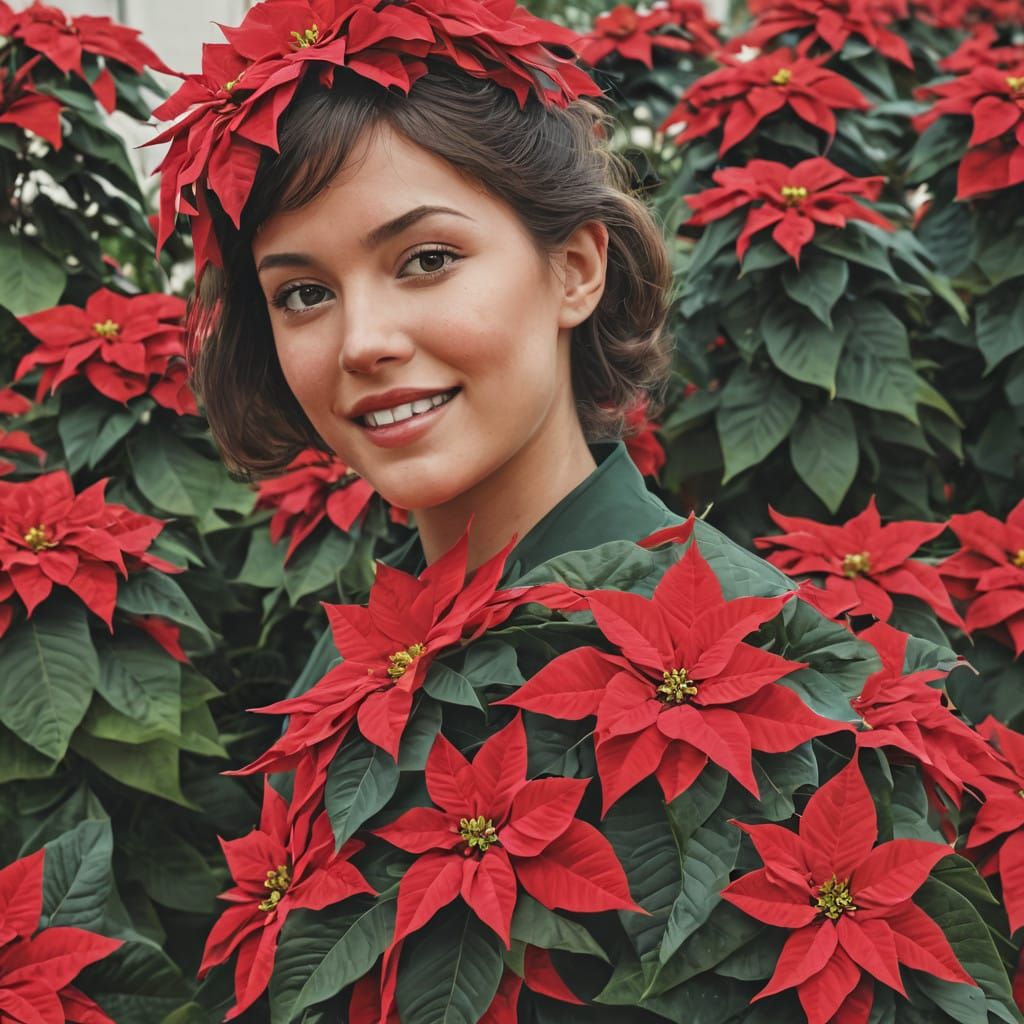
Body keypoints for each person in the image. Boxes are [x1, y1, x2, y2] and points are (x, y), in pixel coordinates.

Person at [151, 2, 997, 1022]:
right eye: (301, 293)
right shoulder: (353, 657)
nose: (361, 339)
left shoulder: (776, 689)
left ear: (574, 269)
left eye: (425, 259)